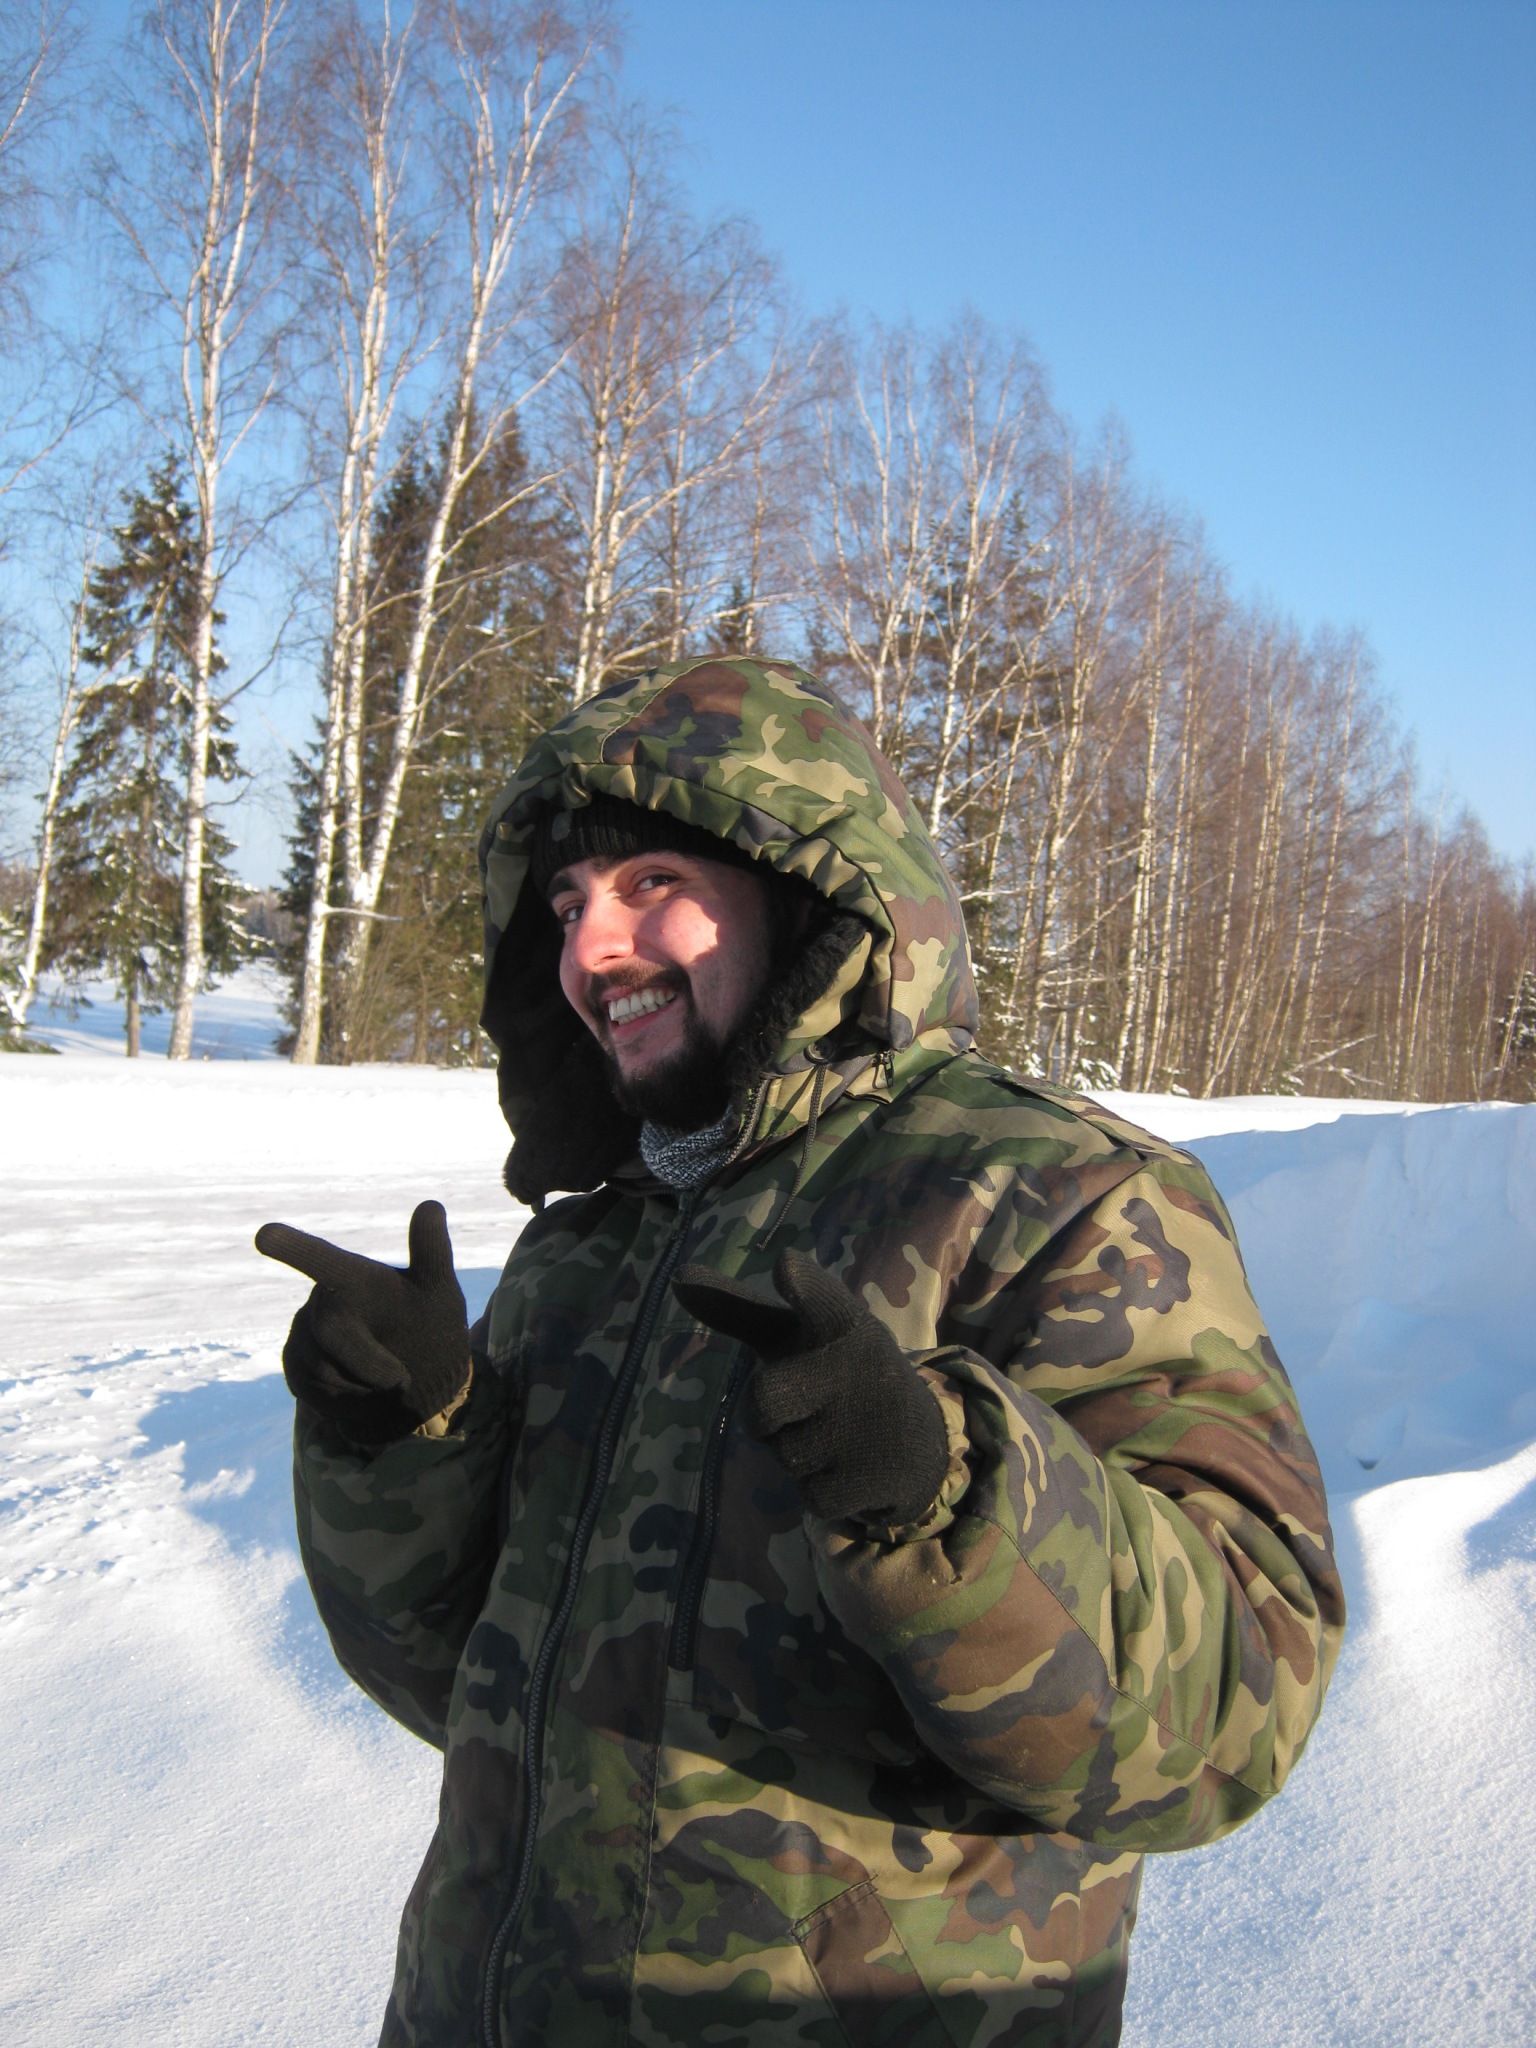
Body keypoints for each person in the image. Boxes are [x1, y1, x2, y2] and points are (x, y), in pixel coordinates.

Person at [258, 655, 1344, 2048]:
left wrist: (943, 1494)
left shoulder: (1053, 1196)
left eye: (654, 881)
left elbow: (1230, 1725)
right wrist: (403, 1443)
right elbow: (460, 1687)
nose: (593, 949)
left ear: (805, 888)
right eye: (567, 904)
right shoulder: (589, 1245)